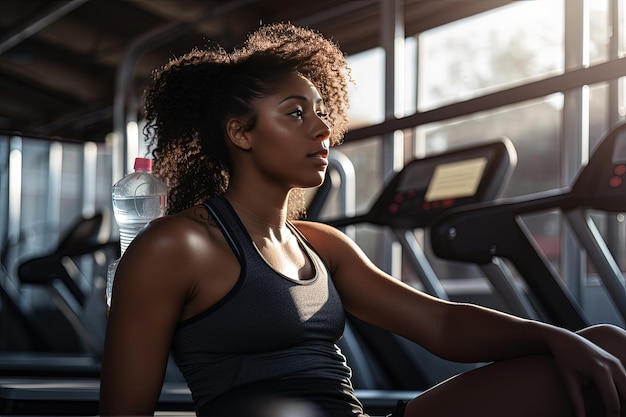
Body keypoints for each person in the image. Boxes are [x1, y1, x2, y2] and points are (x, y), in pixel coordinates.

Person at [99, 22, 626, 417]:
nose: (322, 128)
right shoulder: (176, 246)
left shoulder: (321, 245)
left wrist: (559, 338)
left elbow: (441, 325)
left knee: (607, 342)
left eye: (321, 110)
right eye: (295, 113)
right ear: (241, 133)